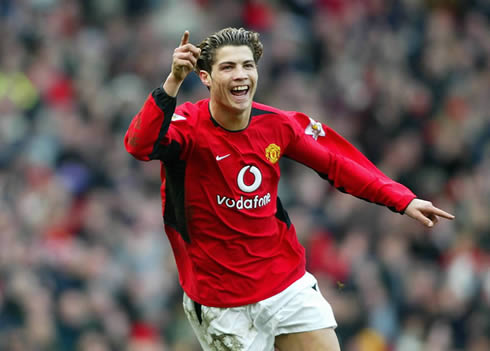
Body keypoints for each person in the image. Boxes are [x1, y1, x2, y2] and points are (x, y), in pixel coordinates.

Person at [124, 27, 454, 351]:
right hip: (222, 302)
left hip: (283, 283)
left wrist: (402, 199)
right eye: (228, 67)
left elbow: (336, 163)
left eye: (247, 65)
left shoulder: (277, 125)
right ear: (205, 77)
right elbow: (139, 145)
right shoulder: (186, 127)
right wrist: (172, 83)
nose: (241, 75)